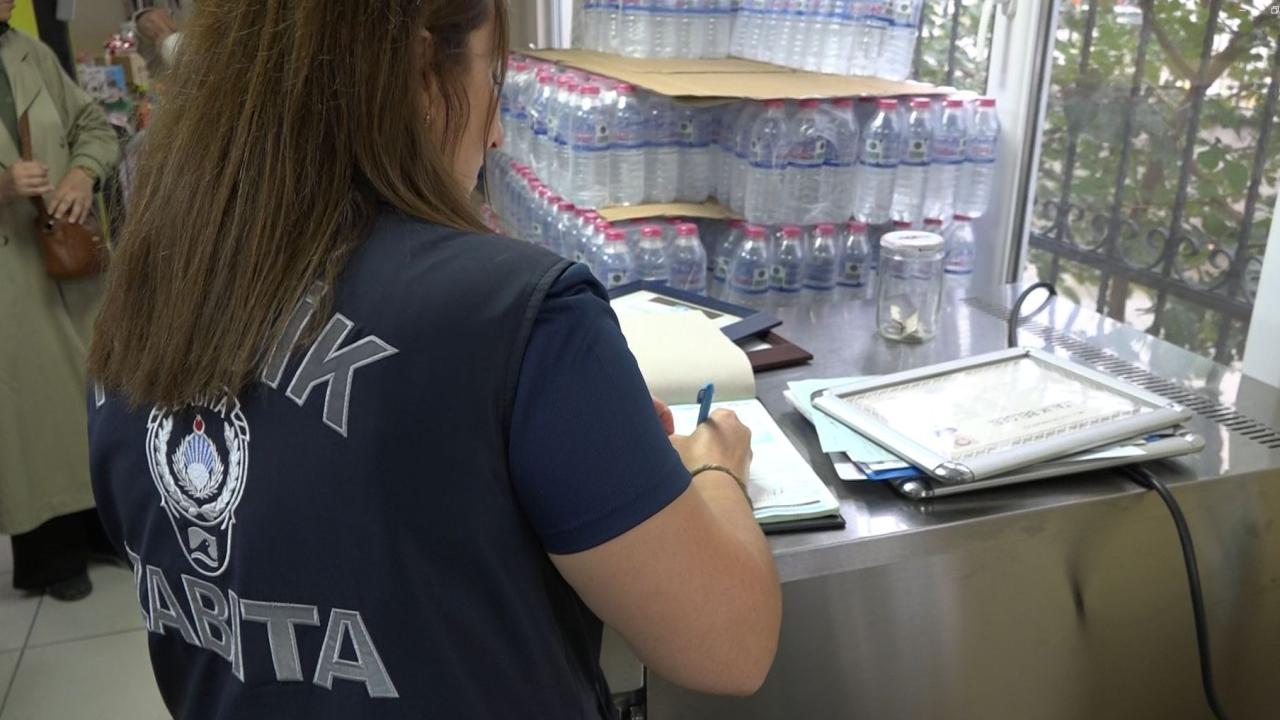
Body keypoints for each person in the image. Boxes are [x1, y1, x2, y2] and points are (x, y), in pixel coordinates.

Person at [88, 1, 781, 717]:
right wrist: (714, 469)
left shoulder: (145, 300)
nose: (497, 131)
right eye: (492, 80)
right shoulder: (518, 312)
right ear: (424, 69)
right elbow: (729, 644)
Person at [0, 1, 121, 601]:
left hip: (67, 260)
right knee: (29, 412)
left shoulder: (29, 52)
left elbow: (92, 127)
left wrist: (82, 173)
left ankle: (104, 528)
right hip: (10, 276)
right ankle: (50, 556)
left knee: (90, 392)